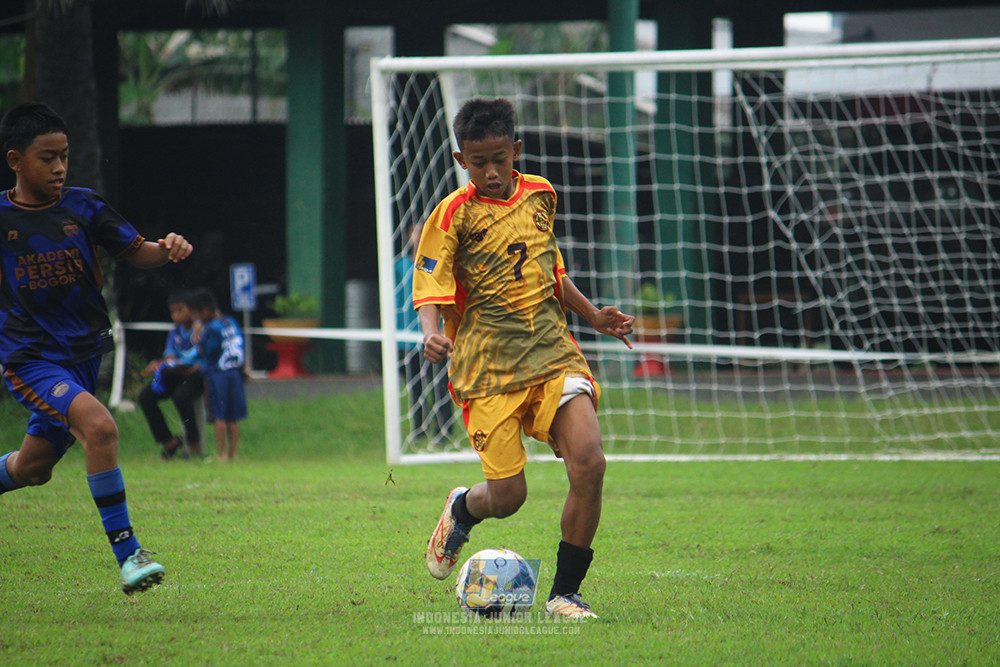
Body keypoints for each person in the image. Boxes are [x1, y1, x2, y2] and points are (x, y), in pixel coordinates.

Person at [415, 98, 634, 619]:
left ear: (516, 149)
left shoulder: (541, 195)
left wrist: (593, 317)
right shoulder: (452, 214)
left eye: (499, 158)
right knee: (509, 497)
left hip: (552, 354)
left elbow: (549, 270)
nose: (490, 172)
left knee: (590, 462)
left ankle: (565, 593)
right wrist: (429, 333)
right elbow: (430, 286)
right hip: (487, 369)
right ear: (460, 159)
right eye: (477, 162)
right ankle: (463, 508)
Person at [0, 102, 193, 595]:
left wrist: (166, 249)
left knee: (32, 469)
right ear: (15, 160)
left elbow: (137, 252)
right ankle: (130, 557)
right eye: (47, 158)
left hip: (84, 356)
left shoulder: (83, 207)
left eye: (64, 156)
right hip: (30, 358)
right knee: (100, 427)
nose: (60, 167)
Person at [395, 221, 452, 446]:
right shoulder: (399, 266)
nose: (419, 236)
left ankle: (443, 432)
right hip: (408, 341)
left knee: (441, 386)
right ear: (409, 236)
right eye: (415, 232)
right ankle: (418, 431)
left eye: (423, 231)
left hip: (437, 338)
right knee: (415, 388)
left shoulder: (438, 265)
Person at [138, 289, 205, 460]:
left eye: (179, 310)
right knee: (145, 397)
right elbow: (170, 355)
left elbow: (202, 355)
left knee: (181, 396)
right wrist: (161, 364)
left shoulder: (202, 328)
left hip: (196, 374)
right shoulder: (175, 331)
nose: (175, 315)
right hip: (176, 372)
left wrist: (185, 364)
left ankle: (193, 444)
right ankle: (168, 441)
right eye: (172, 312)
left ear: (191, 309)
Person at [189, 288, 247, 462]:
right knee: (233, 416)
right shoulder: (230, 322)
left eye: (197, 315)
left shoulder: (210, 328)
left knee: (219, 415)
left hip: (218, 374)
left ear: (205, 311)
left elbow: (203, 349)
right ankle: (234, 453)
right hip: (235, 373)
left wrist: (197, 333)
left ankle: (221, 453)